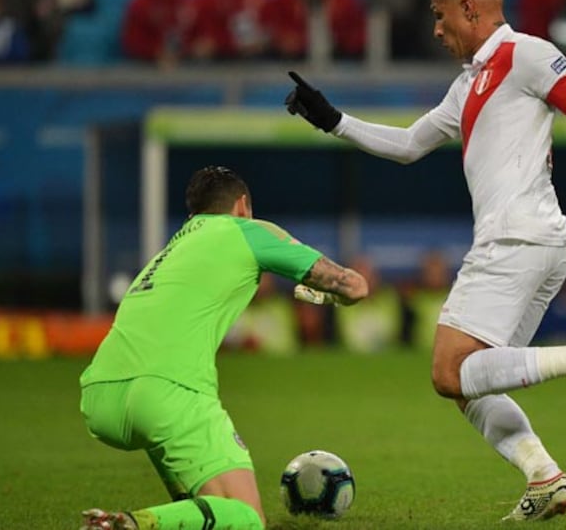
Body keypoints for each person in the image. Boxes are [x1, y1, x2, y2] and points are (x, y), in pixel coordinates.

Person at [284, 0, 566, 521]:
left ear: (469, 8)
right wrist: (334, 120)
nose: (435, 28)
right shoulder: (468, 84)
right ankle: (545, 476)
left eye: (440, 14)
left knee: (447, 373)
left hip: (514, 240)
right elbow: (408, 144)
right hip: (539, 242)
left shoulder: (525, 53)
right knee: (470, 386)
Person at [79, 166, 369, 530]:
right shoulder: (247, 230)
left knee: (204, 510)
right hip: (167, 392)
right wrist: (334, 297)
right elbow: (354, 286)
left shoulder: (172, 249)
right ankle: (126, 525)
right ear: (243, 205)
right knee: (246, 518)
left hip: (101, 396)